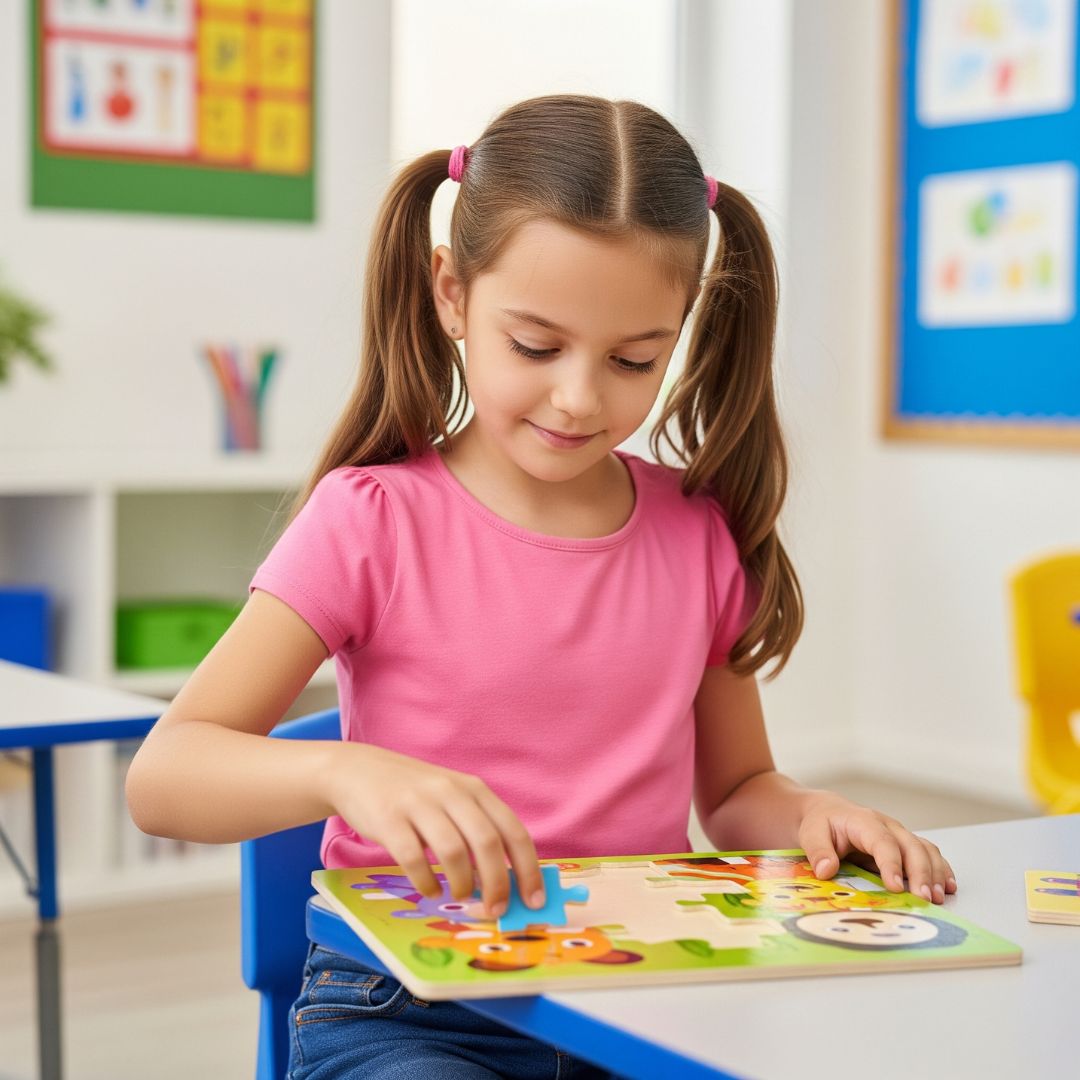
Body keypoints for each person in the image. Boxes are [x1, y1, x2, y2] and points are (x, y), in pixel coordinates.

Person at [126, 94, 957, 1079]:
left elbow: (735, 792)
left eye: (633, 359)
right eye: (536, 346)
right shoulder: (371, 520)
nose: (579, 396)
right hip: (410, 1010)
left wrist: (814, 814)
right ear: (450, 293)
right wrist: (343, 770)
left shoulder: (698, 535)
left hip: (644, 988)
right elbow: (164, 779)